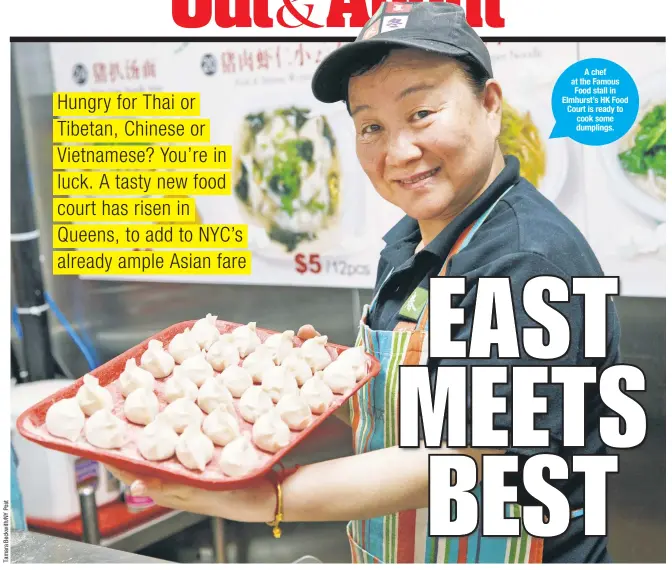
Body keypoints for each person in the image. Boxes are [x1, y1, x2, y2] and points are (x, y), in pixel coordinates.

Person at [108, 2, 619, 563]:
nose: (398, 152)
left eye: (422, 112)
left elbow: (462, 454)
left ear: (490, 106)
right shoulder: (413, 240)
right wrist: (313, 385)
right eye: (371, 126)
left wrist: (270, 498)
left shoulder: (527, 258)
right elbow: (420, 402)